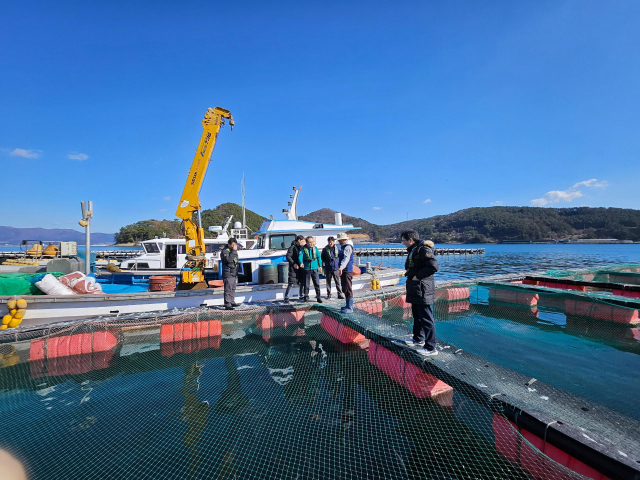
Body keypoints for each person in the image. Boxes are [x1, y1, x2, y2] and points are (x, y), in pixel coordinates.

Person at [401, 229, 439, 356]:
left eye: (404, 240)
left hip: (422, 288)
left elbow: (433, 266)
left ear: (410, 240)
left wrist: (418, 276)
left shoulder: (423, 249)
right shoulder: (415, 249)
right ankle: (418, 339)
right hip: (415, 288)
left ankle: (430, 347)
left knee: (426, 318)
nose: (403, 243)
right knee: (417, 316)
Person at [298, 236, 323, 303]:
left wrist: (320, 265)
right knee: (306, 284)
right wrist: (301, 262)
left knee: (317, 283)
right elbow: (300, 256)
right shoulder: (303, 249)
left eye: (312, 242)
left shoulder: (315, 248)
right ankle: (306, 297)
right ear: (306, 242)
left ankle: (318, 297)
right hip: (307, 268)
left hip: (314, 268)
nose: (311, 244)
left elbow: (318, 257)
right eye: (309, 242)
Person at [284, 235, 306, 303]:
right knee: (291, 283)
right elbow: (288, 256)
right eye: (302, 241)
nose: (303, 243)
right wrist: (293, 264)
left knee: (301, 282)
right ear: (299, 240)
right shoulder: (292, 247)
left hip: (300, 268)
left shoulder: (301, 248)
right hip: (293, 268)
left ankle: (301, 295)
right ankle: (286, 296)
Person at [220, 238, 240, 310]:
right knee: (228, 288)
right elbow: (228, 260)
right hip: (228, 272)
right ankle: (227, 303)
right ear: (229, 244)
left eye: (235, 245)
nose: (233, 246)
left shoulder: (233, 251)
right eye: (232, 245)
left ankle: (232, 301)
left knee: (233, 288)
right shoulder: (224, 251)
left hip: (233, 272)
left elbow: (235, 260)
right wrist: (234, 251)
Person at [337, 233, 354, 313]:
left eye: (340, 240)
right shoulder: (343, 246)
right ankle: (347, 305)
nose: (339, 242)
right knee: (345, 288)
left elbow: (346, 259)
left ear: (344, 239)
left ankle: (350, 307)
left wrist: (341, 267)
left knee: (348, 288)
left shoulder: (347, 247)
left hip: (347, 270)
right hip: (344, 270)